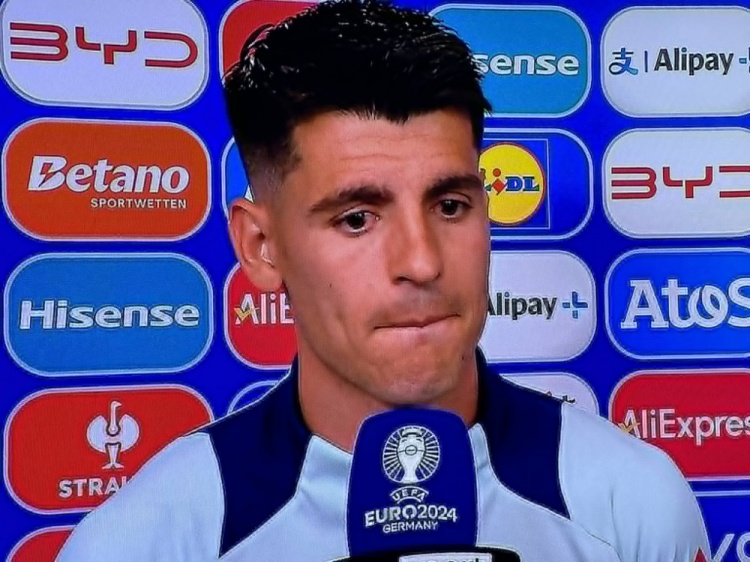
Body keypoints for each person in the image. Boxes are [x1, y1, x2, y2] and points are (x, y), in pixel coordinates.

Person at [57, 0, 710, 560]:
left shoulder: (631, 503)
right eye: (357, 218)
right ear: (261, 246)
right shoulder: (149, 539)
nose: (422, 263)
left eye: (449, 205)